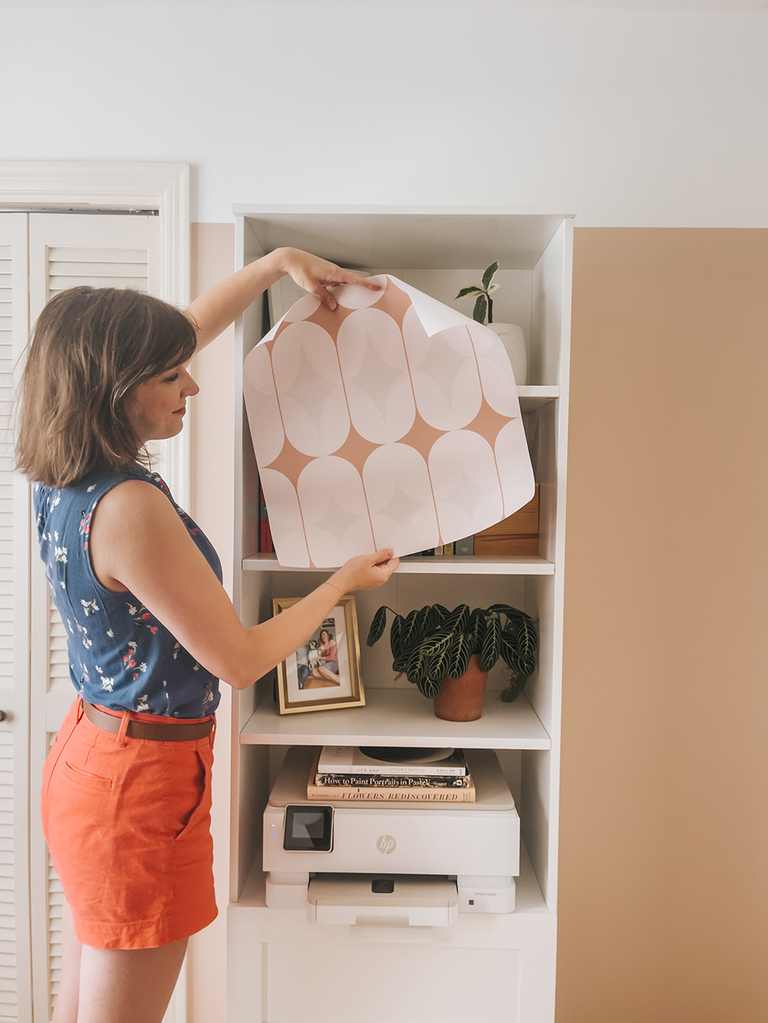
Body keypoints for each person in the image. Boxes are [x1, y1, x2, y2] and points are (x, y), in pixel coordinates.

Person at [14, 247, 399, 1023]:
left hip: (95, 756)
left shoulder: (62, 472)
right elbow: (241, 656)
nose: (191, 381)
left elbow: (184, 330)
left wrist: (277, 265)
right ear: (114, 391)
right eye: (169, 377)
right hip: (138, 785)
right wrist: (341, 583)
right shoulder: (129, 510)